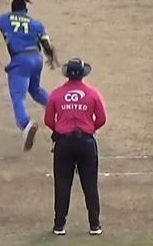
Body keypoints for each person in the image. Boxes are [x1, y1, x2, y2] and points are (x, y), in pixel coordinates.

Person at [0, 0, 60, 151]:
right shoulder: (36, 23)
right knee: (35, 90)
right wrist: (51, 57)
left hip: (20, 60)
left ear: (12, 8)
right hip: (36, 59)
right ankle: (58, 111)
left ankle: (26, 125)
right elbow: (47, 46)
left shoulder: (5, 18)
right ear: (25, 10)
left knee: (18, 97)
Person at [44, 58, 106, 236]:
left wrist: (60, 130)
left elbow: (48, 120)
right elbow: (101, 119)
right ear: (82, 74)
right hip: (86, 143)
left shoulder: (56, 95)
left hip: (63, 144)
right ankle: (94, 225)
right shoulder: (93, 94)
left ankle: (59, 226)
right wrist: (89, 129)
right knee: (90, 184)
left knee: (62, 184)